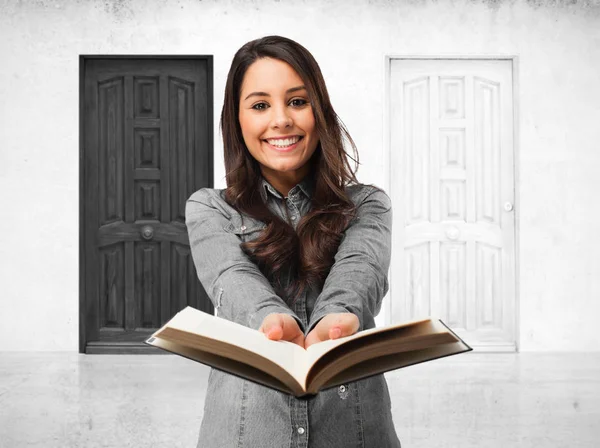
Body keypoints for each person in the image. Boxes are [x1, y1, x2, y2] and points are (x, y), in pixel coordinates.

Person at [185, 35, 401, 448]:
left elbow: (362, 268)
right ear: (238, 119)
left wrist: (335, 319)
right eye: (260, 105)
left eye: (298, 101)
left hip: (354, 428)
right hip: (243, 432)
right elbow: (230, 274)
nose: (281, 119)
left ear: (319, 111)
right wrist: (271, 321)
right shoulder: (208, 208)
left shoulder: (369, 204)